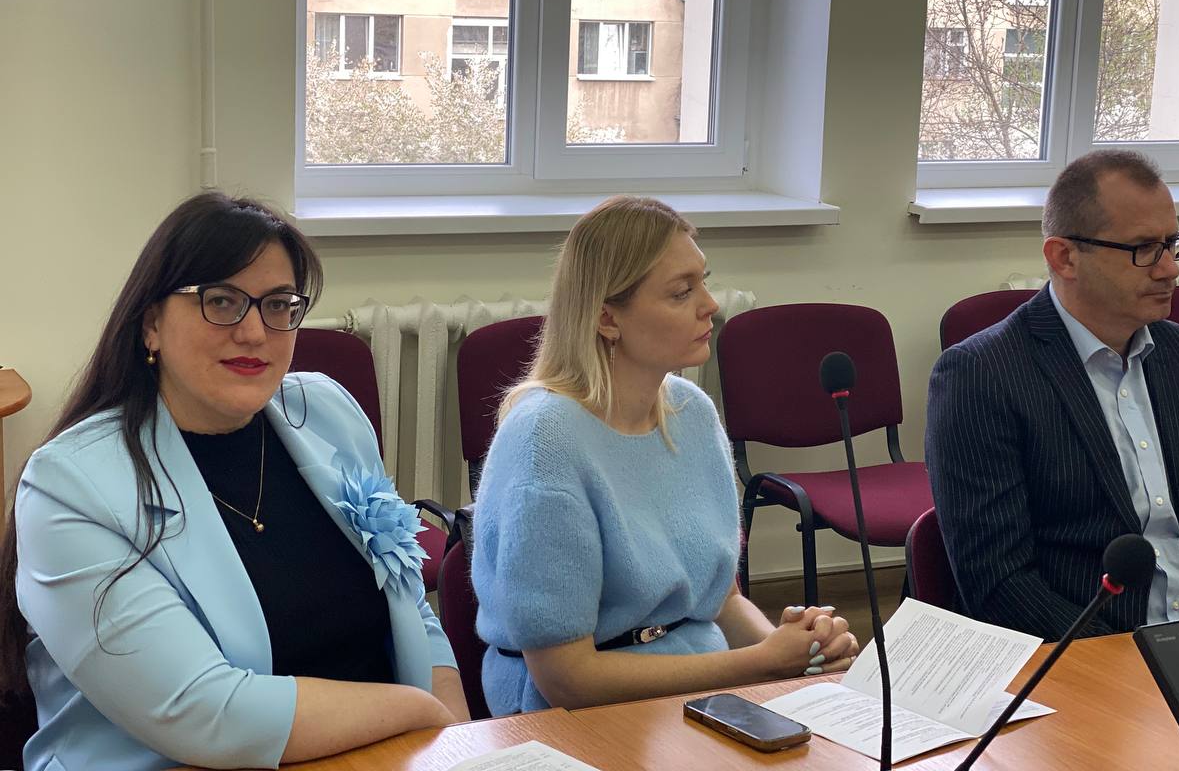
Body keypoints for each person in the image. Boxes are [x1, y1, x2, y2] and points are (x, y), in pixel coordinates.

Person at [0, 193, 466, 771]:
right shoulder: (69, 486)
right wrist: (418, 712)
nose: (253, 332)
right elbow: (204, 714)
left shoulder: (327, 412)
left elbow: (409, 604)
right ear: (151, 324)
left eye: (278, 305)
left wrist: (461, 744)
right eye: (220, 301)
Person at [470, 195, 858, 716]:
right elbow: (567, 679)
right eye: (681, 292)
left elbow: (722, 602)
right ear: (607, 318)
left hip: (698, 685)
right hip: (575, 714)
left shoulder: (691, 411)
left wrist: (798, 654)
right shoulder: (546, 440)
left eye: (703, 282)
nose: (710, 304)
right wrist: (761, 664)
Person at [926, 150, 1179, 641]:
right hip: (1088, 651)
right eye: (1143, 249)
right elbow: (1000, 582)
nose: (1169, 270)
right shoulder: (980, 375)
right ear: (1064, 257)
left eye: (1172, 244)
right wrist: (1128, 663)